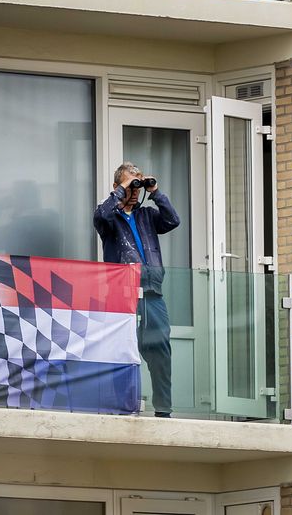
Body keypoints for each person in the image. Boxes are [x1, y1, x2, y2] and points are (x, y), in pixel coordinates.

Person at [93, 162, 180, 418]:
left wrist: (155, 192)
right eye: (130, 184)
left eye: (137, 184)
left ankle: (163, 409)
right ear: (117, 186)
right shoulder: (109, 217)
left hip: (152, 293)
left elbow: (172, 220)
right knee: (123, 349)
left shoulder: (147, 216)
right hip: (123, 294)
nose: (134, 190)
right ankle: (122, 407)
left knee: (160, 349)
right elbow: (100, 216)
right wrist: (121, 190)